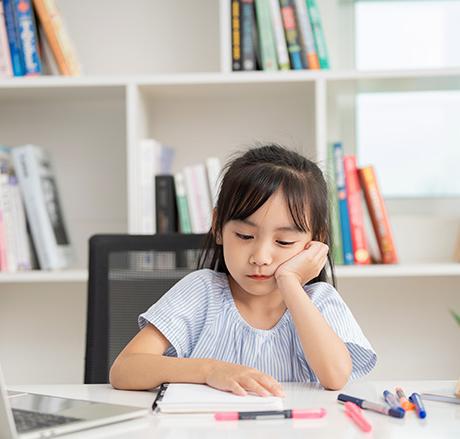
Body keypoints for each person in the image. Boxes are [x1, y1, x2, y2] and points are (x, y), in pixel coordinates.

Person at [109, 144, 376, 396]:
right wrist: (210, 370)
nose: (260, 257)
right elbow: (124, 370)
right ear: (218, 227)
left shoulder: (320, 301)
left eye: (284, 242)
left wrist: (290, 282)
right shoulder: (201, 292)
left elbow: (335, 377)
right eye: (245, 235)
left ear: (314, 241)